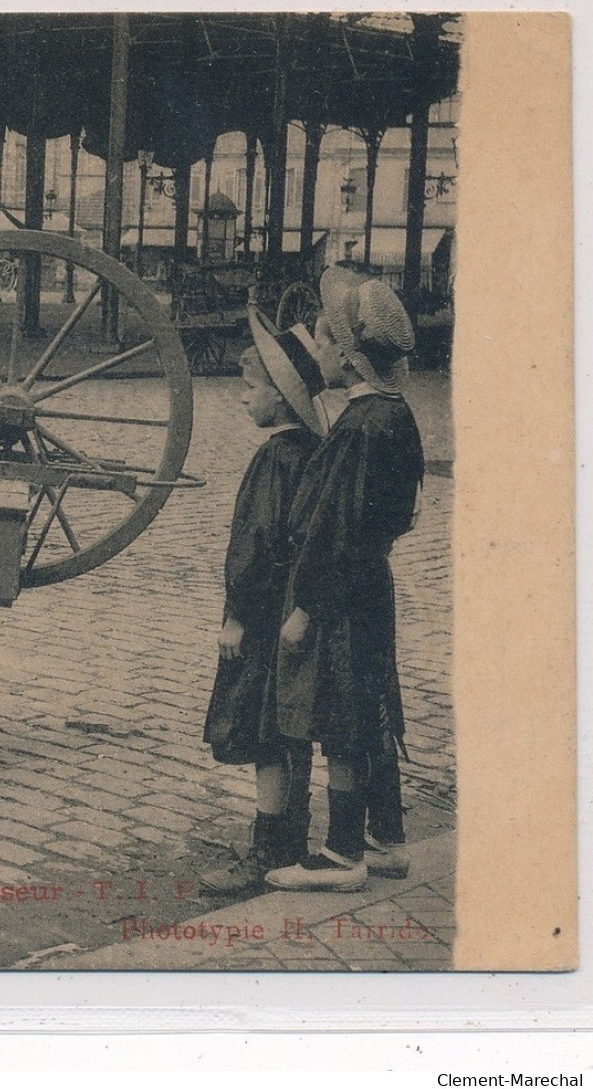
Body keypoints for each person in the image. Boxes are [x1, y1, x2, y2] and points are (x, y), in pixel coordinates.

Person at [266, 269, 424, 892]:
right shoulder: (395, 413)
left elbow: (336, 531)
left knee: (343, 717)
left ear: (349, 357)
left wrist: (305, 607)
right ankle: (386, 839)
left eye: (327, 342)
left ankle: (340, 855)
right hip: (372, 585)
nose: (320, 351)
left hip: (342, 594)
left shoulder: (357, 429)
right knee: (375, 702)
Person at [198, 317, 339, 894]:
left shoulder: (274, 459)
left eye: (251, 389)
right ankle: (290, 840)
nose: (242, 397)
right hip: (296, 610)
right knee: (291, 725)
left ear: (280, 400)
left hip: (264, 616)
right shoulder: (314, 450)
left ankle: (267, 851)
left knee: (263, 728)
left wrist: (234, 615)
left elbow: (253, 545)